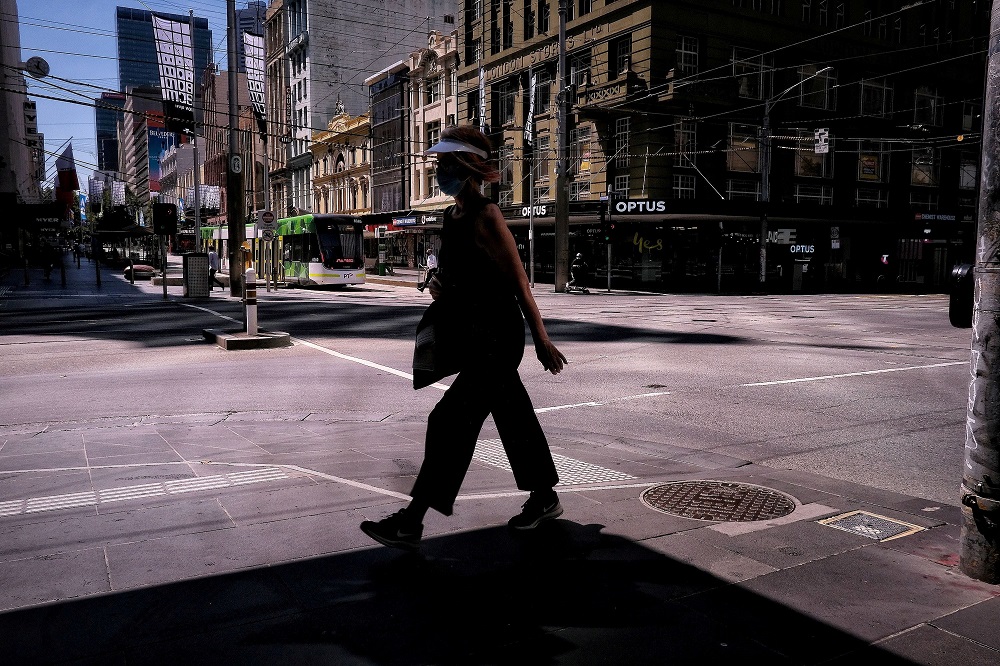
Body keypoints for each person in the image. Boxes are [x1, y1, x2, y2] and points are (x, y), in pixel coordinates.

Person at [360, 125, 568, 551]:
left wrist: (542, 339)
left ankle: (411, 521)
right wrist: (442, 285)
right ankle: (544, 497)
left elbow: (519, 281)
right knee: (513, 416)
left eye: (447, 165)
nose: (440, 171)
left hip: (496, 335)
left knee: (449, 420)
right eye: (439, 165)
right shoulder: (450, 217)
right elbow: (463, 274)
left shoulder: (486, 214)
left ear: (469, 167)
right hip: (473, 334)